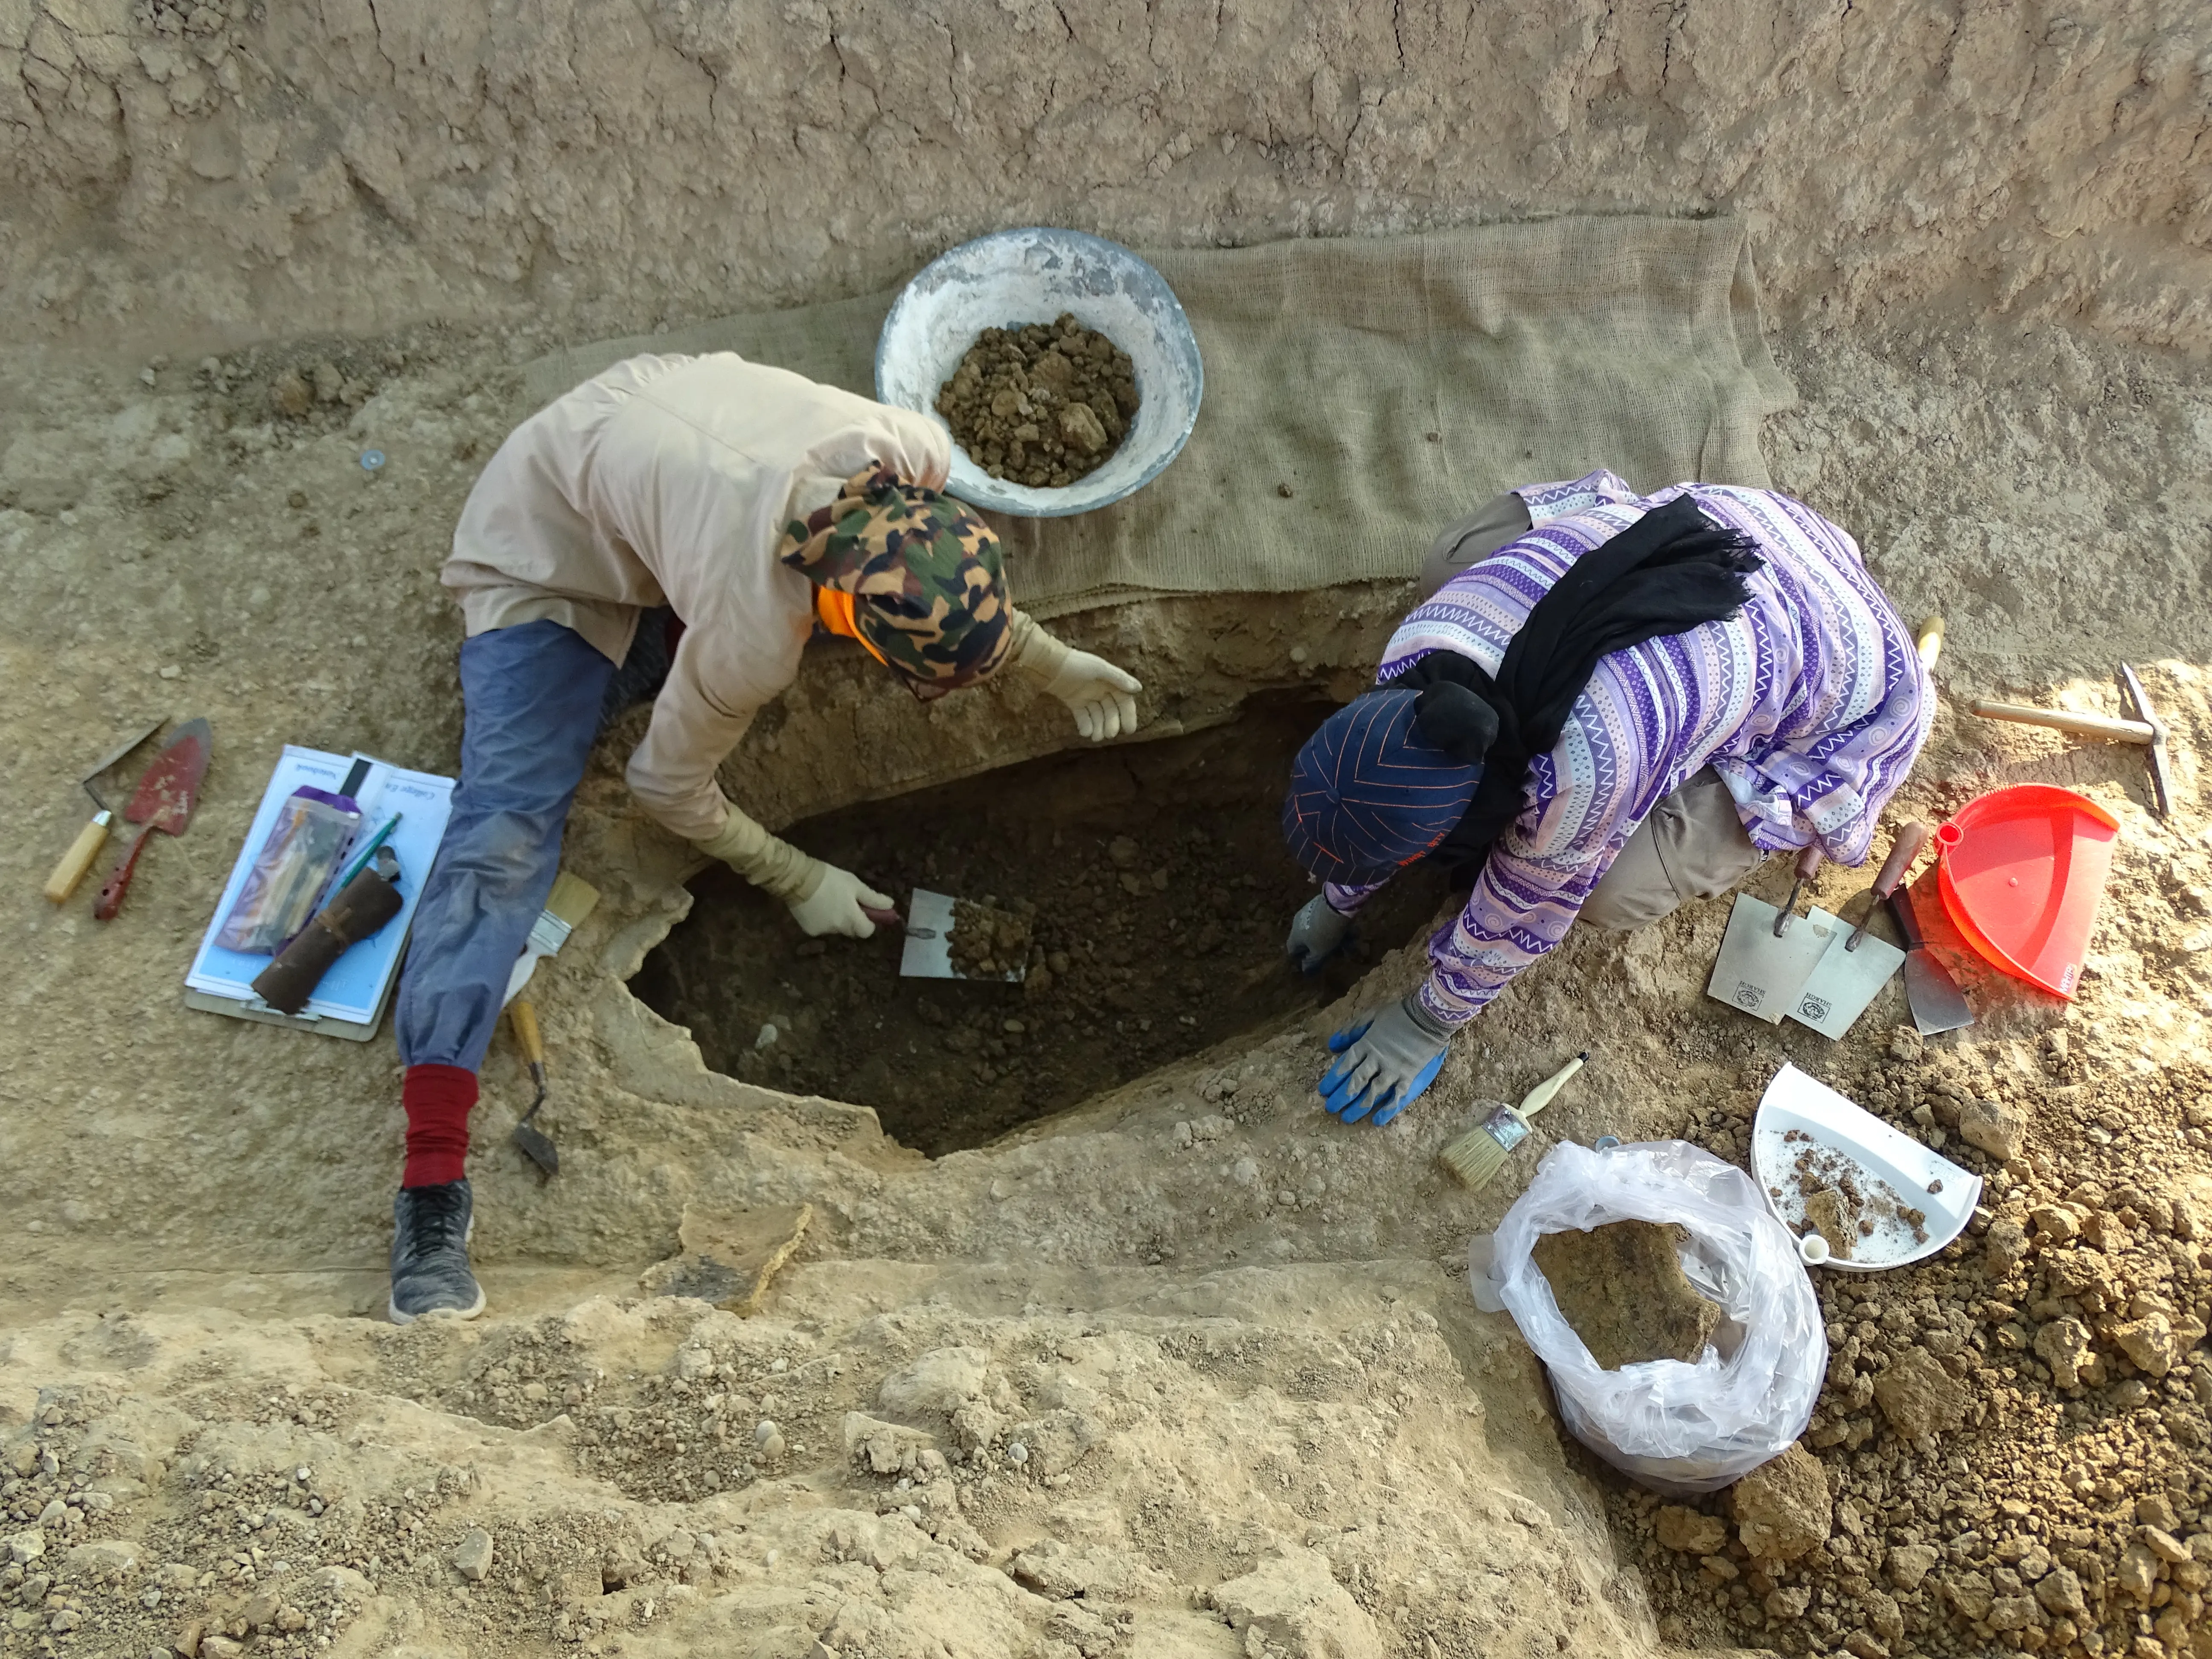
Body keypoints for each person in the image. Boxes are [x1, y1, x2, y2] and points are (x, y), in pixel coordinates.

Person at [387, 352, 1144, 1322]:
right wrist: (794, 874)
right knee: (505, 830)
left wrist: (1047, 660)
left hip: (656, 451)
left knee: (673, 658)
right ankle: (428, 1190)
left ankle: (631, 662)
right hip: (549, 550)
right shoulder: (749, 629)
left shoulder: (907, 452)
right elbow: (665, 784)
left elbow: (935, 579)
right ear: (851, 615)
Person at [1281, 471, 1932, 1124]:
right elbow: (1369, 793)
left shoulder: (1582, 777)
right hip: (1745, 528)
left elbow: (1526, 909)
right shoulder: (1419, 646)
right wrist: (1335, 900)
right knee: (1450, 560)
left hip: (1845, 670)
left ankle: (1726, 778)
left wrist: (1425, 1022)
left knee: (1609, 890)